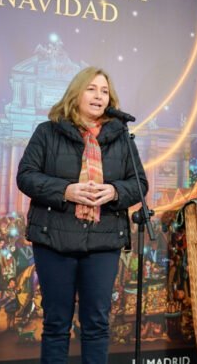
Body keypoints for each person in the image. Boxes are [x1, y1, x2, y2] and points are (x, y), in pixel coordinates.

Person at [17, 66, 148, 364]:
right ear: (76, 93)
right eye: (92, 89)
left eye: (104, 91)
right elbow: (26, 176)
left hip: (102, 242)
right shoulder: (47, 132)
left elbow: (139, 183)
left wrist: (114, 192)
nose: (98, 96)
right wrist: (66, 191)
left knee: (97, 324)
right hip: (54, 240)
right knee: (56, 324)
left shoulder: (122, 137)